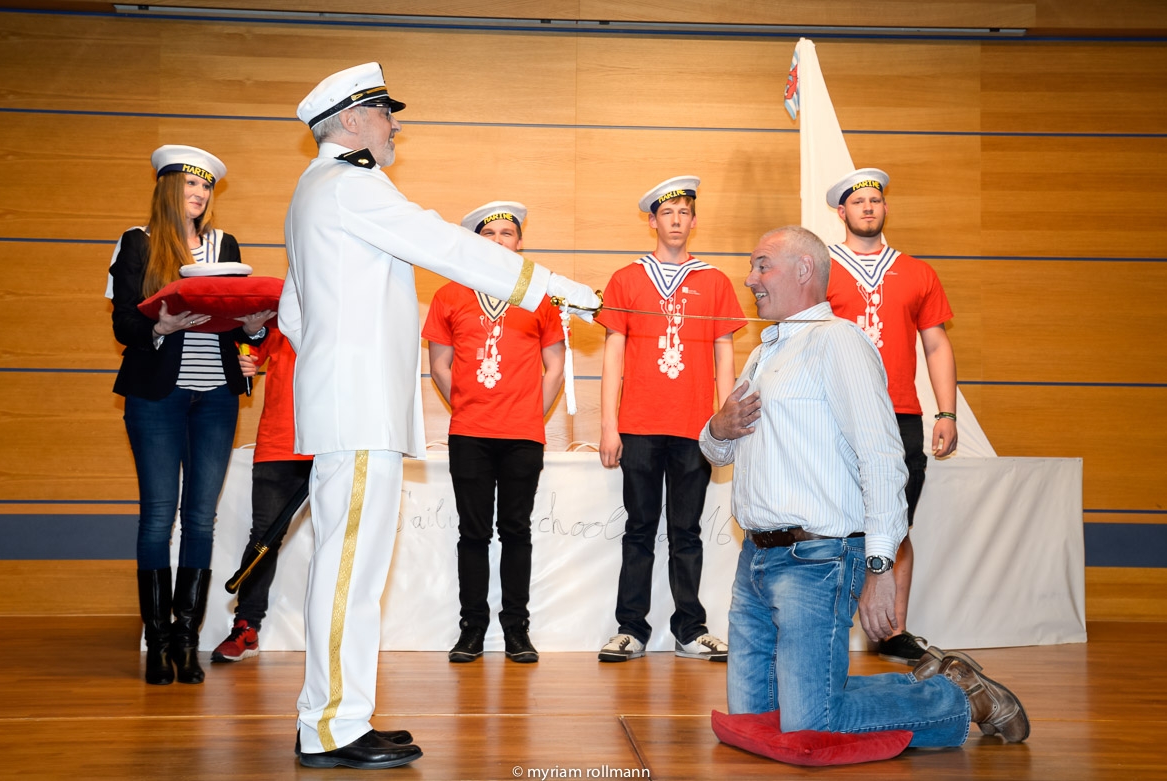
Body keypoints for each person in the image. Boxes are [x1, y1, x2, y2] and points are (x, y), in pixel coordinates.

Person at [279, 62, 599, 770]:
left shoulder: (315, 190)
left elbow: (294, 313)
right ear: (352, 120)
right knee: (349, 568)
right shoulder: (349, 185)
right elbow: (444, 243)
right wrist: (552, 288)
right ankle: (330, 726)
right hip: (358, 409)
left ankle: (340, 715)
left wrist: (338, 360)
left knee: (352, 568)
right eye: (384, 112)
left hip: (350, 403)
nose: (394, 125)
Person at [699, 225, 1028, 745]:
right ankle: (913, 688)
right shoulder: (763, 353)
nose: (750, 279)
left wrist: (879, 567)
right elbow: (718, 451)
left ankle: (958, 697)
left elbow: (882, 458)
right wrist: (718, 428)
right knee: (752, 722)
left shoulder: (839, 341)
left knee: (811, 725)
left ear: (804, 270)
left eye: (762, 265)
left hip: (818, 561)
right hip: (755, 561)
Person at [107, 145, 273, 686]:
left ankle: (186, 639)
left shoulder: (226, 246)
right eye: (190, 184)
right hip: (157, 396)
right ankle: (157, 642)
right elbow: (124, 325)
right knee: (159, 516)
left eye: (206, 187)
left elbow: (245, 327)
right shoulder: (138, 241)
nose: (199, 194)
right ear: (166, 189)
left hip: (217, 397)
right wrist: (161, 327)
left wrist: (254, 329)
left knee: (201, 518)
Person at [596, 176, 745, 663]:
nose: (676, 220)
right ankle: (630, 629)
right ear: (652, 221)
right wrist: (608, 424)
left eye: (684, 212)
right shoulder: (626, 278)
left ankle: (690, 629)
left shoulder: (715, 280)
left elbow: (725, 353)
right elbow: (613, 354)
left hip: (695, 427)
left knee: (687, 532)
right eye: (667, 212)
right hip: (638, 424)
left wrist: (727, 421)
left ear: (694, 221)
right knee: (639, 529)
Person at [824, 167, 958, 665]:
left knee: (896, 525)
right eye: (858, 201)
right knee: (832, 523)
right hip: (836, 412)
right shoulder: (822, 267)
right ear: (842, 211)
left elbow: (936, 345)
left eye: (875, 200)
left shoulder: (918, 272)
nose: (868, 207)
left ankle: (893, 632)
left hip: (900, 412)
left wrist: (946, 412)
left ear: (885, 207)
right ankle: (829, 625)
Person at [422, 201, 565, 665]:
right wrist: (468, 404)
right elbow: (439, 365)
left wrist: (530, 414)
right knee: (473, 533)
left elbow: (555, 366)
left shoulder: (539, 296)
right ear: (475, 240)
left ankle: (517, 630)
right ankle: (472, 630)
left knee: (516, 531)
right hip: (470, 434)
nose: (499, 240)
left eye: (507, 233)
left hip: (523, 435)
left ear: (520, 242)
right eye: (489, 233)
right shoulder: (449, 295)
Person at [210, 327, 313, 663]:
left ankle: (335, 629)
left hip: (333, 446)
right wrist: (245, 357)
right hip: (278, 445)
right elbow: (247, 353)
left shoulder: (350, 313)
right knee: (263, 540)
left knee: (339, 540)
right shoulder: (277, 315)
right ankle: (246, 626)